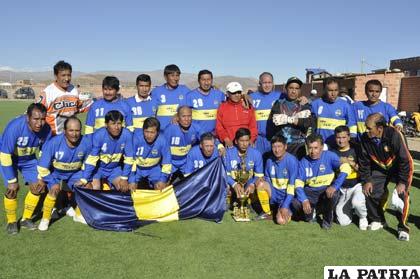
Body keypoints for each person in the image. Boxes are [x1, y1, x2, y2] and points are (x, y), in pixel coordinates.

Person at [358, 113, 413, 241]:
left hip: (401, 168)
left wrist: (402, 182)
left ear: (380, 128)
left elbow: (404, 160)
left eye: (369, 128)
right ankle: (378, 220)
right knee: (369, 190)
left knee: (401, 196)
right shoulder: (365, 138)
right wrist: (367, 180)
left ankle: (403, 228)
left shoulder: (394, 135)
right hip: (381, 168)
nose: (366, 130)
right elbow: (364, 162)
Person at [0, 103, 51, 234]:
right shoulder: (15, 127)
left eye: (43, 119)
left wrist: (40, 177)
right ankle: (11, 222)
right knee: (12, 189)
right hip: (10, 158)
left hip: (28, 159)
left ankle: (25, 219)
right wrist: (12, 181)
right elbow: (5, 155)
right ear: (27, 117)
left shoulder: (47, 129)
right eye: (36, 119)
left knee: (39, 187)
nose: (39, 123)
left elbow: (45, 154)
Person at [37, 117, 91, 230]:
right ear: (64, 131)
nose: (75, 134)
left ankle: (79, 214)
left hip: (74, 173)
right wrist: (52, 182)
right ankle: (45, 219)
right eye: (71, 130)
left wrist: (84, 179)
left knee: (87, 186)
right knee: (54, 189)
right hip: (55, 173)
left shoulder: (86, 142)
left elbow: (89, 163)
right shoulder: (53, 143)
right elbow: (42, 168)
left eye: (77, 130)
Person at [292, 134, 351, 229]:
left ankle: (327, 220)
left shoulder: (330, 156)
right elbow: (298, 183)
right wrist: (304, 199)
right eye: (310, 148)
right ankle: (311, 214)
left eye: (316, 148)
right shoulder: (303, 161)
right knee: (295, 203)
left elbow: (346, 167)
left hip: (325, 191)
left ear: (322, 147)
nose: (313, 151)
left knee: (333, 194)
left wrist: (334, 186)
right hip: (310, 193)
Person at [78, 110, 134, 192]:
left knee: (124, 188)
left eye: (119, 123)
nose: (116, 127)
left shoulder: (127, 134)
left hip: (114, 169)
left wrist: (124, 178)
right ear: (106, 124)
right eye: (113, 123)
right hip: (98, 169)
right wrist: (85, 179)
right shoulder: (98, 135)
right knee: (94, 189)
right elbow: (92, 160)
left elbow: (129, 158)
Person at [37, 60, 92, 135]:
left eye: (69, 75)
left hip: (70, 137)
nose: (67, 79)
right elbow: (35, 113)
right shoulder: (47, 93)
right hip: (52, 137)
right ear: (56, 76)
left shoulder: (74, 91)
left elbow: (83, 106)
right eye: (63, 75)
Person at [331, 126, 368, 230]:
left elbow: (363, 170)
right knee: (343, 222)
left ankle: (363, 217)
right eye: (338, 137)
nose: (341, 140)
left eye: (343, 137)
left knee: (357, 202)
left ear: (348, 137)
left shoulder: (356, 150)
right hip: (342, 189)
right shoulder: (333, 152)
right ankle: (352, 210)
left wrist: (349, 162)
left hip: (356, 186)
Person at [267, 77, 313, 159]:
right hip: (282, 147)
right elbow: (275, 121)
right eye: (291, 88)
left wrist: (286, 119)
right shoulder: (279, 104)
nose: (294, 91)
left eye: (297, 88)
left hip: (299, 147)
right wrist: (297, 118)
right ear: (286, 89)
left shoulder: (304, 105)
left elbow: (307, 123)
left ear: (300, 90)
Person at [257, 134, 299, 224]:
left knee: (281, 221)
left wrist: (285, 205)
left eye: (279, 146)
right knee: (261, 184)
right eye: (274, 147)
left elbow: (292, 187)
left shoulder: (292, 161)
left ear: (285, 146)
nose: (276, 150)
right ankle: (267, 212)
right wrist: (262, 179)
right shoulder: (269, 161)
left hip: (287, 196)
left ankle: (287, 210)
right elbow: (268, 179)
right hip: (275, 193)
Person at [311, 78, 357, 147]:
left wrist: (351, 141)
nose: (333, 93)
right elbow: (310, 125)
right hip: (321, 146)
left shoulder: (345, 105)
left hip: (338, 146)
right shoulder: (315, 104)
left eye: (336, 90)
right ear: (324, 90)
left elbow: (352, 125)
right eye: (330, 90)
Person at [224, 128, 264, 206]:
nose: (244, 144)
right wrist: (234, 184)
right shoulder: (228, 153)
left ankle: (251, 202)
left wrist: (252, 184)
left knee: (260, 183)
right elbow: (225, 174)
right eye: (241, 141)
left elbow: (259, 175)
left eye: (246, 141)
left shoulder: (256, 154)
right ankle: (228, 201)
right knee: (225, 185)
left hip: (248, 183)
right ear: (236, 141)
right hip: (233, 183)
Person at [130, 117, 171, 190]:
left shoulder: (163, 140)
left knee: (161, 188)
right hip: (137, 168)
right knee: (131, 188)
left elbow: (167, 162)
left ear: (158, 132)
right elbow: (130, 159)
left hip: (154, 168)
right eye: (146, 131)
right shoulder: (136, 138)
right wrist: (132, 179)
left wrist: (162, 180)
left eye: (152, 132)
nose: (149, 135)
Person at [164, 106, 204, 181]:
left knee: (192, 183)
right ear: (177, 117)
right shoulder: (170, 129)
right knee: (162, 185)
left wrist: (219, 146)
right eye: (183, 116)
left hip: (186, 162)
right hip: (171, 162)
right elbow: (162, 147)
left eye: (189, 116)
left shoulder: (195, 127)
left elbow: (206, 138)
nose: (187, 119)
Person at [248, 72, 282, 155]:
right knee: (258, 164)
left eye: (269, 82)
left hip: (275, 138)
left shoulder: (281, 96)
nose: (267, 85)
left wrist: (303, 99)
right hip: (258, 139)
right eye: (264, 83)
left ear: (273, 83)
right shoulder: (251, 97)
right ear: (260, 83)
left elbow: (294, 100)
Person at [216, 82, 258, 147]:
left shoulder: (247, 106)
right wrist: (226, 139)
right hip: (230, 145)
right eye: (233, 93)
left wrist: (251, 139)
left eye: (239, 92)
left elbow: (253, 126)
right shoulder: (222, 107)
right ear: (227, 94)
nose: (237, 95)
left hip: (246, 145)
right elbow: (219, 128)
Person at [151, 64, 190, 130]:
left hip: (179, 132)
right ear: (165, 77)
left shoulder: (185, 90)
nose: (176, 78)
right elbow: (151, 113)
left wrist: (178, 115)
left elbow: (192, 109)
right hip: (161, 132)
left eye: (177, 75)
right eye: (172, 75)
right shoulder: (156, 92)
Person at [186, 70, 225, 134]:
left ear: (212, 80)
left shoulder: (219, 94)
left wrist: (243, 96)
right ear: (198, 81)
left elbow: (231, 102)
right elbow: (183, 112)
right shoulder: (190, 95)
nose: (206, 83)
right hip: (196, 135)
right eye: (203, 80)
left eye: (208, 79)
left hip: (214, 136)